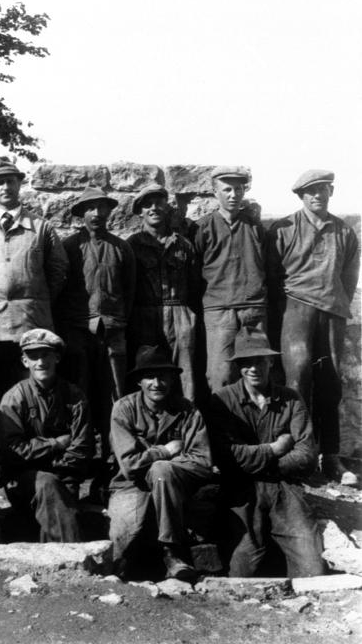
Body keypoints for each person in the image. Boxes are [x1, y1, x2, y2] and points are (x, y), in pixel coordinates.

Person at [0, 162, 69, 488]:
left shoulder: (41, 228)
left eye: (11, 181)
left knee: (34, 393)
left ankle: (33, 460)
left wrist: (31, 300)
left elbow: (58, 271)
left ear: (20, 185)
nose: (5, 188)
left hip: (30, 326)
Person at [267, 170, 360, 487]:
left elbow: (349, 276)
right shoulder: (285, 228)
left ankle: (330, 456)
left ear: (331, 192)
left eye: (323, 189)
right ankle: (300, 452)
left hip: (332, 311)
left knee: (330, 382)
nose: (317, 195)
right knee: (297, 379)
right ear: (301, 196)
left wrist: (335, 302)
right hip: (296, 309)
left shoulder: (344, 231)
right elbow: (272, 275)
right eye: (311, 191)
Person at [208, 328, 325, 577]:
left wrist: (258, 462)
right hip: (241, 491)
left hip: (284, 488)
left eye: (259, 361)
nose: (253, 368)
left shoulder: (291, 399)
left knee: (312, 565)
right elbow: (226, 456)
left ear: (270, 362)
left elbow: (306, 456)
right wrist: (275, 449)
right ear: (238, 366)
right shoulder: (222, 400)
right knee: (242, 568)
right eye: (246, 362)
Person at [108, 346, 213, 581]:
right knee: (122, 537)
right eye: (149, 377)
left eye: (163, 376)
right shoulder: (124, 409)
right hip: (131, 485)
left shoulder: (187, 410)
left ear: (173, 379)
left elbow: (203, 461)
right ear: (139, 381)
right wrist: (165, 451)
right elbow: (129, 466)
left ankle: (171, 552)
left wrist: (165, 465)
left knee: (161, 471)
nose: (157, 383)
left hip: (176, 483)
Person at [58, 186, 134, 466]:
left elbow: (130, 290)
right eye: (91, 208)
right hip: (78, 330)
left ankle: (115, 456)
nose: (97, 213)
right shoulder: (69, 247)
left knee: (115, 392)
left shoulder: (121, 248)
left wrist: (119, 321)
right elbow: (59, 289)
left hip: (113, 331)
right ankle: (82, 453)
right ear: (81, 213)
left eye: (102, 207)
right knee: (81, 392)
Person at [0, 329, 93, 542]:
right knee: (47, 484)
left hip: (66, 478)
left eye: (46, 355)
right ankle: (70, 553)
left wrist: (52, 462)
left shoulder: (74, 396)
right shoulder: (14, 398)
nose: (40, 362)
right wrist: (56, 444)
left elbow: (81, 448)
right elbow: (14, 450)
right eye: (33, 356)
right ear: (25, 361)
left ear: (57, 358)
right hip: (24, 481)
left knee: (56, 498)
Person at [194, 165, 267, 392]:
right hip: (219, 310)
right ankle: (222, 415)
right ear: (215, 192)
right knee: (221, 374)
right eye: (227, 189)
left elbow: (269, 266)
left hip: (253, 309)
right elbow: (193, 271)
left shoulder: (255, 226)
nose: (233, 195)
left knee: (257, 372)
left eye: (238, 189)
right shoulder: (202, 228)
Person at [126, 184, 201, 404]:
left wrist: (189, 317)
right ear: (140, 212)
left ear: (166, 207)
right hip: (144, 316)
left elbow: (195, 284)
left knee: (185, 372)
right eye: (147, 205)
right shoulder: (132, 246)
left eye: (159, 203)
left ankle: (188, 418)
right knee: (146, 369)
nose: (154, 208)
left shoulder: (183, 245)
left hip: (179, 313)